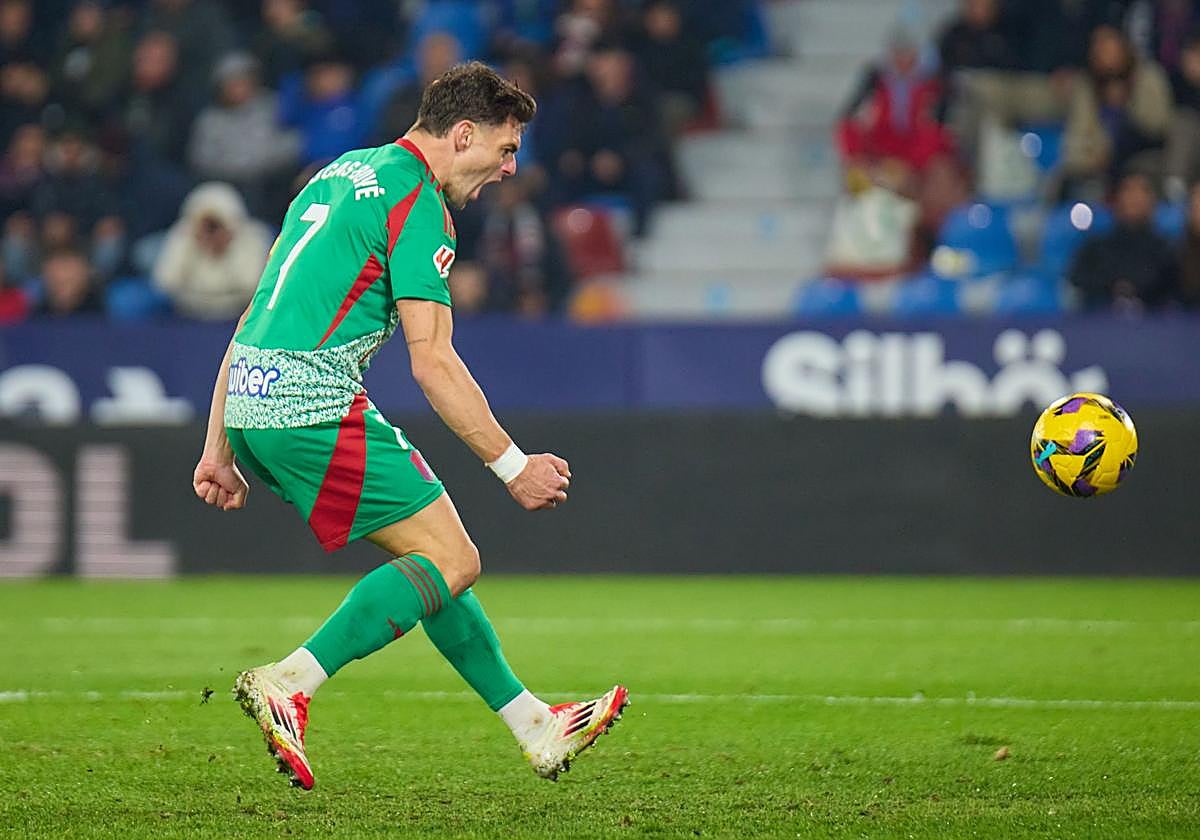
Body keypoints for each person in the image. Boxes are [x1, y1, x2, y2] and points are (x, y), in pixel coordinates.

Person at [193, 61, 628, 791]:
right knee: (454, 560)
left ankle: (535, 724)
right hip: (310, 404)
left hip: (252, 402)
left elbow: (252, 317)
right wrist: (514, 466)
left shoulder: (337, 174)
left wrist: (219, 446)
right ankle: (290, 681)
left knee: (438, 563)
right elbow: (433, 363)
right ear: (464, 134)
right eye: (505, 148)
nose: (509, 167)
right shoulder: (417, 203)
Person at [151, 181, 272, 319]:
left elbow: (252, 285)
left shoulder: (252, 237)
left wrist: (226, 248)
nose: (211, 234)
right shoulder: (184, 237)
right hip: (188, 314)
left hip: (238, 314)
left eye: (216, 226)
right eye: (206, 226)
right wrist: (191, 247)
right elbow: (164, 282)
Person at [1067, 170, 1176, 311]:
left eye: (1142, 190)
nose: (1135, 198)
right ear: (1116, 198)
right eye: (1128, 190)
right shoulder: (1096, 249)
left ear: (1153, 200)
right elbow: (1078, 284)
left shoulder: (1167, 252)